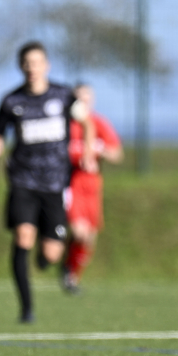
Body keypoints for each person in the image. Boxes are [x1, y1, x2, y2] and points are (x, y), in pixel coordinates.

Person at [0, 41, 96, 323]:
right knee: (23, 237)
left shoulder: (63, 96)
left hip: (55, 184)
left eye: (37, 62)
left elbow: (87, 123)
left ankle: (47, 259)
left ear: (46, 65)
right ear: (21, 67)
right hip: (23, 181)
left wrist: (87, 151)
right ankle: (26, 309)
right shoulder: (12, 101)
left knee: (50, 253)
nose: (32, 68)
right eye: (27, 63)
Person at [61, 83, 123, 294]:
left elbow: (117, 154)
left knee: (89, 238)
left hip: (93, 186)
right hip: (72, 184)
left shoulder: (99, 123)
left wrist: (100, 151)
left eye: (87, 98)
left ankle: (71, 275)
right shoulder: (66, 126)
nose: (84, 102)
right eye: (79, 98)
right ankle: (65, 264)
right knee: (79, 231)